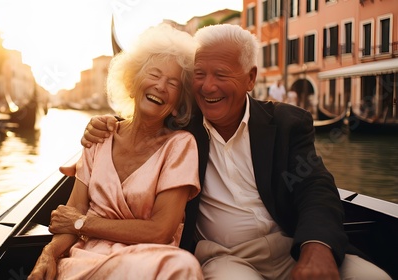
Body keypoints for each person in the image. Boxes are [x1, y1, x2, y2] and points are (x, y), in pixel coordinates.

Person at [76, 24, 391, 279]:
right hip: (223, 257)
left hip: (291, 247)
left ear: (250, 78)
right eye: (199, 74)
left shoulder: (286, 122)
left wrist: (317, 247)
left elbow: (316, 189)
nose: (208, 86)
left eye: (221, 75)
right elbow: (143, 115)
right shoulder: (183, 125)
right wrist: (105, 124)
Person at [28, 23, 203, 280]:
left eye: (173, 83)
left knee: (182, 266)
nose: (161, 86)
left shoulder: (181, 146)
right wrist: (48, 254)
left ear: (178, 104)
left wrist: (83, 223)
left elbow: (160, 231)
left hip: (151, 264)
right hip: (85, 262)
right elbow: (71, 212)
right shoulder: (100, 137)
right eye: (154, 75)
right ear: (132, 83)